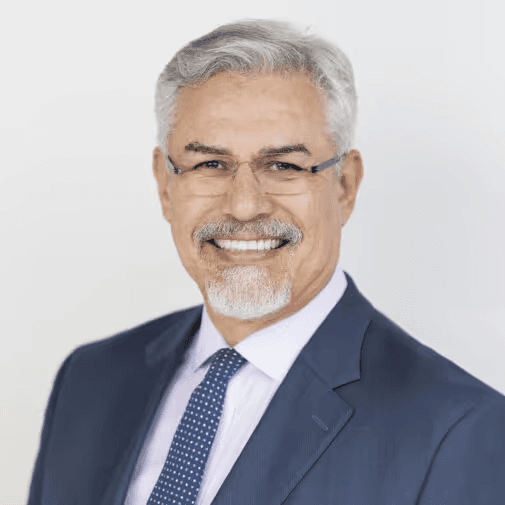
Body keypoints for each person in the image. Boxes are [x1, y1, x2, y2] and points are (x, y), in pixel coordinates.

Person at [27, 19, 505, 505]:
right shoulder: (89, 380)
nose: (243, 206)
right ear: (165, 185)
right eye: (210, 164)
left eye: (283, 166)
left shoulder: (459, 431)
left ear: (344, 186)